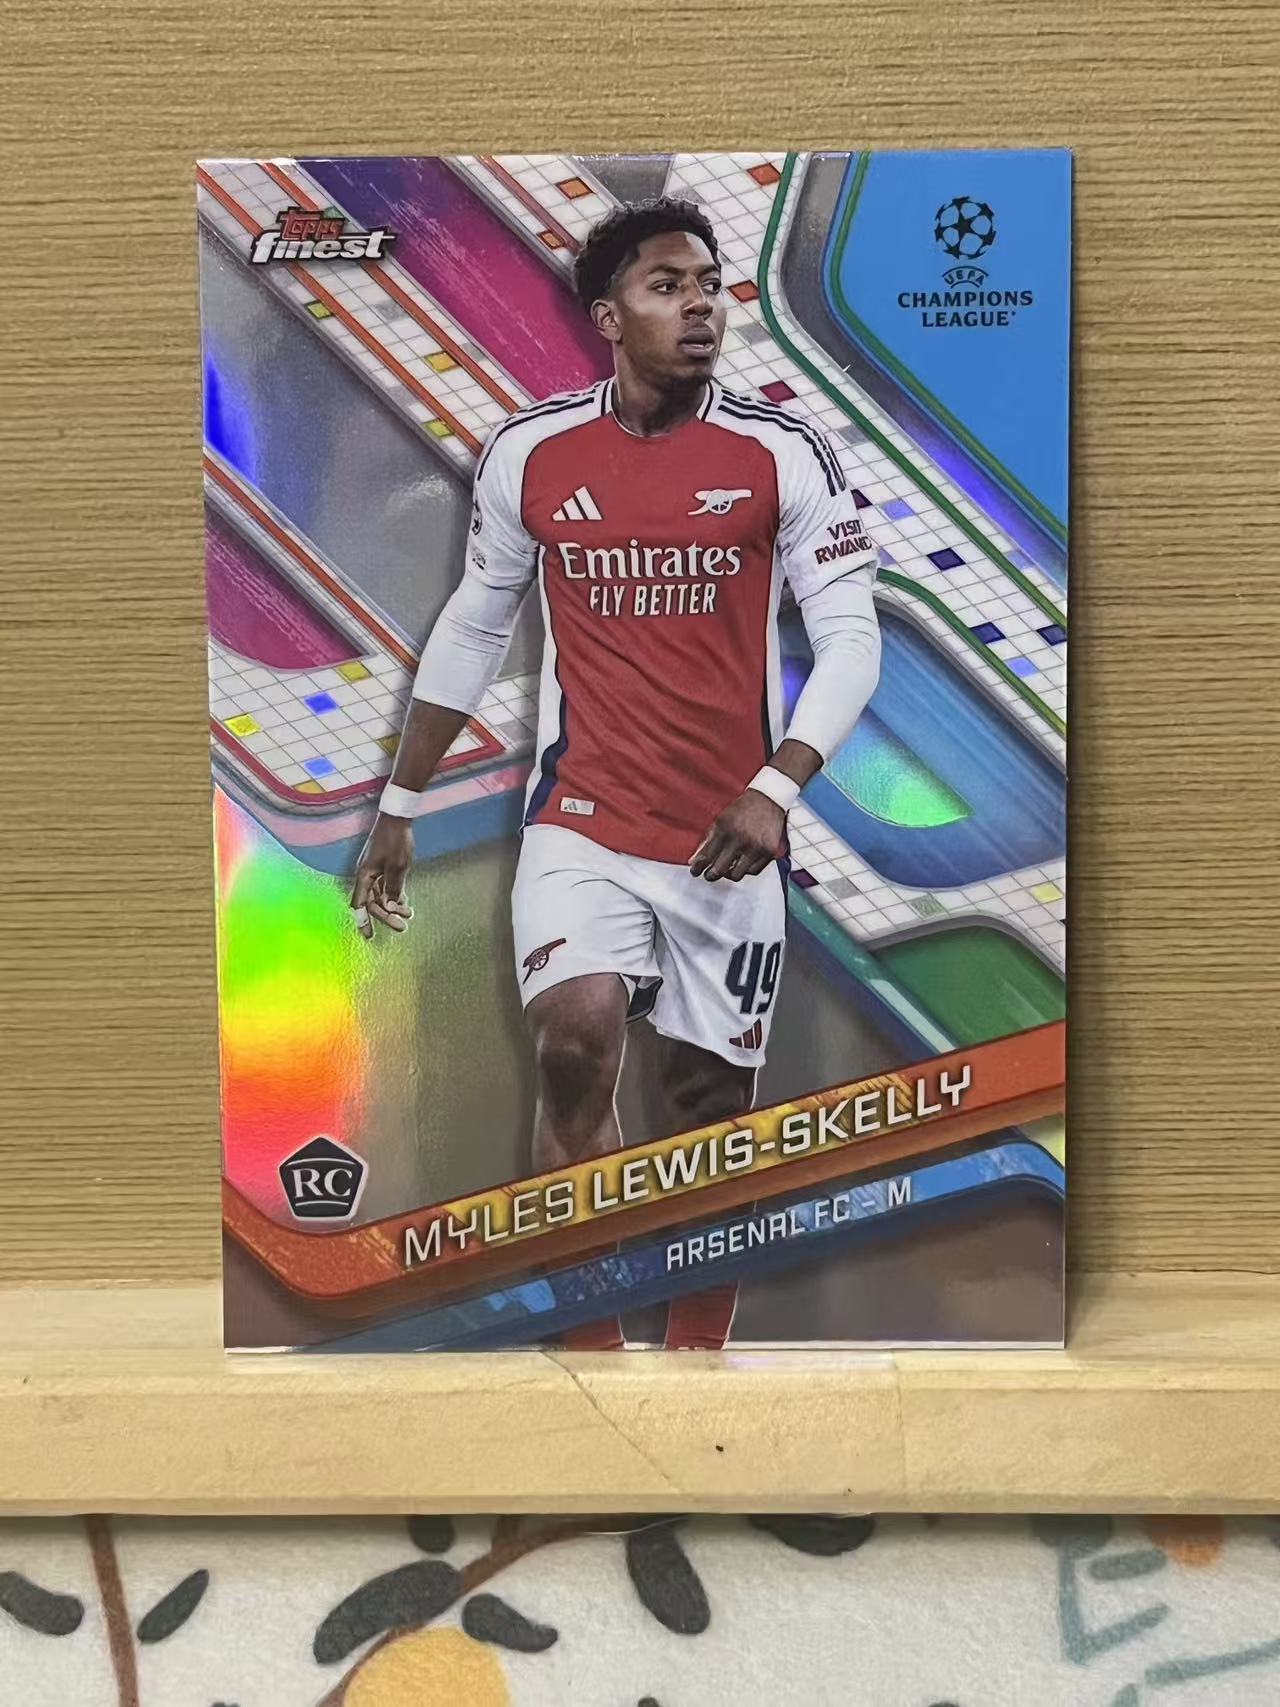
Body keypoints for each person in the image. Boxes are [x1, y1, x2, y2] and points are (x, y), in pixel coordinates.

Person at [351, 197, 881, 1349]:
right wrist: (398, 801)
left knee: (706, 1108)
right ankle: (588, 1348)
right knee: (573, 1044)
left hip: (726, 842)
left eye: (709, 285)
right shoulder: (530, 453)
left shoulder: (783, 454)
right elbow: (474, 623)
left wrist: (776, 788)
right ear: (606, 316)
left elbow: (850, 638)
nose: (698, 306)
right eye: (665, 286)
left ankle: (692, 1362)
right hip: (578, 824)